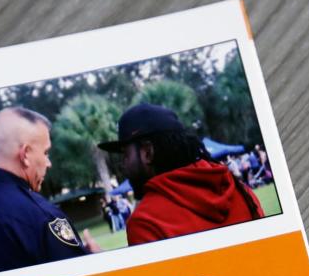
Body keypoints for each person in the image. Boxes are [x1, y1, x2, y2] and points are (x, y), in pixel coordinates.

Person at [0, 107, 97, 276]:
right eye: (46, 152)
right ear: (25, 155)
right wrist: (94, 258)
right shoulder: (42, 215)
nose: (48, 163)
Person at [98, 103, 263, 246]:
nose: (123, 165)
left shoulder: (146, 222)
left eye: (125, 154)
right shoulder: (239, 188)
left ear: (147, 153)